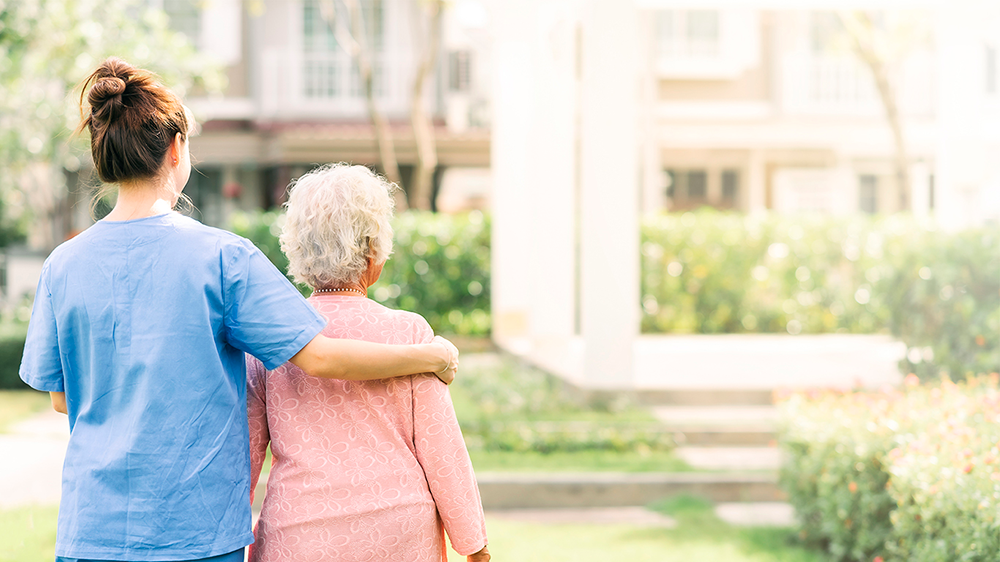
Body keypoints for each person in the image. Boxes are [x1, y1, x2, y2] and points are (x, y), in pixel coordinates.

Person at [18, 57, 459, 562]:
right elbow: (321, 358)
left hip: (90, 530)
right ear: (176, 148)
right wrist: (430, 357)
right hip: (196, 534)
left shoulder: (62, 265)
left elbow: (61, 398)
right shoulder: (223, 258)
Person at [246, 163, 490, 562]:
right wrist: (474, 545)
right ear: (374, 249)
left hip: (300, 535)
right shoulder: (409, 333)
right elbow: (442, 450)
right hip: (399, 534)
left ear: (298, 249)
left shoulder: (272, 341)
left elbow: (246, 457)